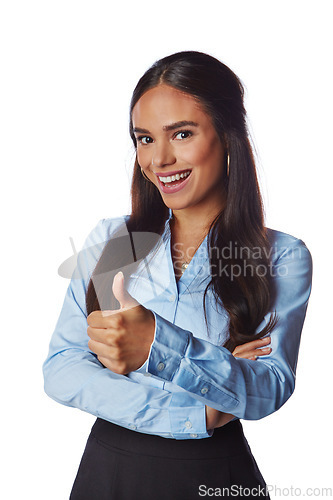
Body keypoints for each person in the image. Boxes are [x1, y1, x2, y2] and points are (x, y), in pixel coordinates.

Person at [43, 51, 312, 499]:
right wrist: (196, 408)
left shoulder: (280, 256)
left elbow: (267, 389)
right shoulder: (117, 241)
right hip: (110, 474)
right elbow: (64, 369)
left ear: (227, 137)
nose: (159, 159)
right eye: (144, 139)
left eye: (181, 134)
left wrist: (156, 344)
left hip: (216, 478)